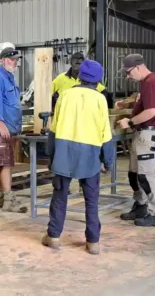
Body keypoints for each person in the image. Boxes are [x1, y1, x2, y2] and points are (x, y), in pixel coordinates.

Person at [42, 60, 114, 255]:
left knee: (60, 195)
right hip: (89, 153)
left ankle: (54, 236)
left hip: (64, 150)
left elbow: (53, 129)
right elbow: (105, 133)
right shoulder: (100, 99)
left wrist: (51, 156)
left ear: (79, 75)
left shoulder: (64, 96)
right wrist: (108, 161)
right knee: (91, 199)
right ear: (99, 79)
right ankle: (93, 242)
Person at [116, 54, 155, 228]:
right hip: (141, 133)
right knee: (134, 175)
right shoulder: (145, 83)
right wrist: (128, 105)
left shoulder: (152, 82)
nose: (128, 77)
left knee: (146, 176)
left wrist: (129, 122)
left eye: (129, 73)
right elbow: (145, 104)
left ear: (137, 67)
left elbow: (152, 111)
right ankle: (141, 205)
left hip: (147, 133)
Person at [0, 43, 26, 212]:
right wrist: (0, 124)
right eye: (12, 59)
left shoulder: (9, 77)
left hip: (9, 128)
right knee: (6, 164)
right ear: (3, 61)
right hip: (2, 129)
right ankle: (8, 200)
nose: (15, 63)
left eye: (16, 60)